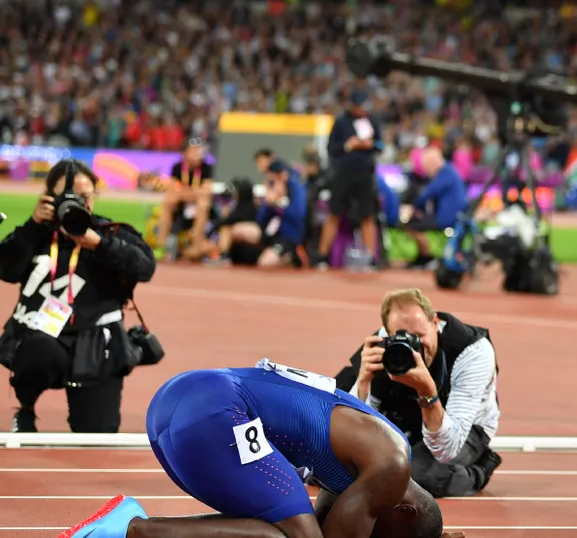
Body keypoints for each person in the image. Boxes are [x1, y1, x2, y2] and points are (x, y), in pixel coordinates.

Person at [58, 358, 445, 538]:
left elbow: (323, 526)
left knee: (279, 531)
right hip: (215, 410)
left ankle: (129, 526)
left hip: (174, 406)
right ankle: (132, 530)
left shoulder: (357, 466)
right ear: (405, 508)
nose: (372, 530)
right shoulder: (392, 464)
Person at [0, 160, 157, 433]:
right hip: (43, 335)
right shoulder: (36, 233)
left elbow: (145, 267)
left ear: (95, 197)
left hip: (97, 343)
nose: (76, 203)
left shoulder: (110, 232)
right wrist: (33, 226)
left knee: (96, 434)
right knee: (38, 350)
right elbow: (6, 269)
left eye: (85, 196)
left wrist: (99, 244)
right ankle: (25, 407)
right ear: (48, 197)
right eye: (67, 196)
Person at [335, 288, 503, 498]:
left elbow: (446, 449)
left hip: (463, 427)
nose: (414, 349)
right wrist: (363, 382)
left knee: (409, 478)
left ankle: (478, 470)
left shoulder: (472, 351)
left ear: (435, 323)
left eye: (419, 337)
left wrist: (427, 392)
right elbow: (354, 429)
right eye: (402, 337)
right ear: (387, 333)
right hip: (405, 415)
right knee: (335, 464)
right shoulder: (385, 347)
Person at [318, 89, 383, 270]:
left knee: (367, 215)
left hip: (365, 175)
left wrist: (369, 144)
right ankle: (323, 256)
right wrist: (349, 145)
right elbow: (332, 148)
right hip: (343, 175)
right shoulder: (341, 122)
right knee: (334, 213)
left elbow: (380, 145)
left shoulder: (371, 121)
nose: (361, 109)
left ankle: (371, 258)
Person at [403, 145, 467, 269]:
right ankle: (424, 256)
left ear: (433, 163)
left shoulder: (445, 174)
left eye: (426, 166)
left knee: (411, 223)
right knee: (416, 220)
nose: (426, 171)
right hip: (451, 215)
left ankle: (425, 257)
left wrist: (413, 207)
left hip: (448, 218)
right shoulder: (449, 171)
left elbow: (427, 194)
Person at [156, 138, 215, 261]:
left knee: (203, 203)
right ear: (185, 153)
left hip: (199, 209)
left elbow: (206, 191)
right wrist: (192, 192)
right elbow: (172, 189)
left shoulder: (206, 168)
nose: (198, 154)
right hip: (181, 207)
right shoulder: (177, 168)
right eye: (194, 151)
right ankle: (161, 247)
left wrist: (183, 192)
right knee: (168, 201)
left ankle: (196, 246)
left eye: (199, 150)